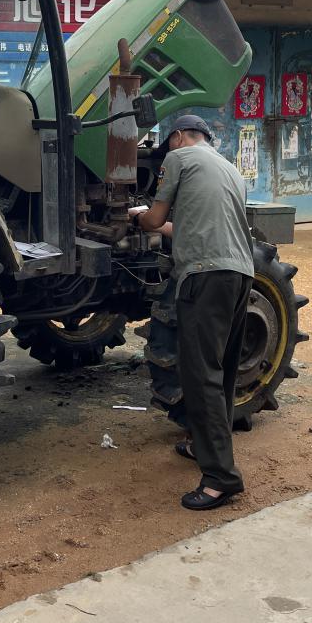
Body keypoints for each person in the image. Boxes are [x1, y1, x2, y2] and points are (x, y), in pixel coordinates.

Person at [133, 114, 254, 511]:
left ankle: (221, 478)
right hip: (240, 276)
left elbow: (155, 219)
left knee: (200, 376)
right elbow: (182, 226)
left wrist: (136, 217)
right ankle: (203, 445)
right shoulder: (230, 169)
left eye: (169, 143)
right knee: (223, 372)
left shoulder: (180, 159)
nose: (166, 151)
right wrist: (156, 224)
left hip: (203, 277)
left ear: (180, 137)